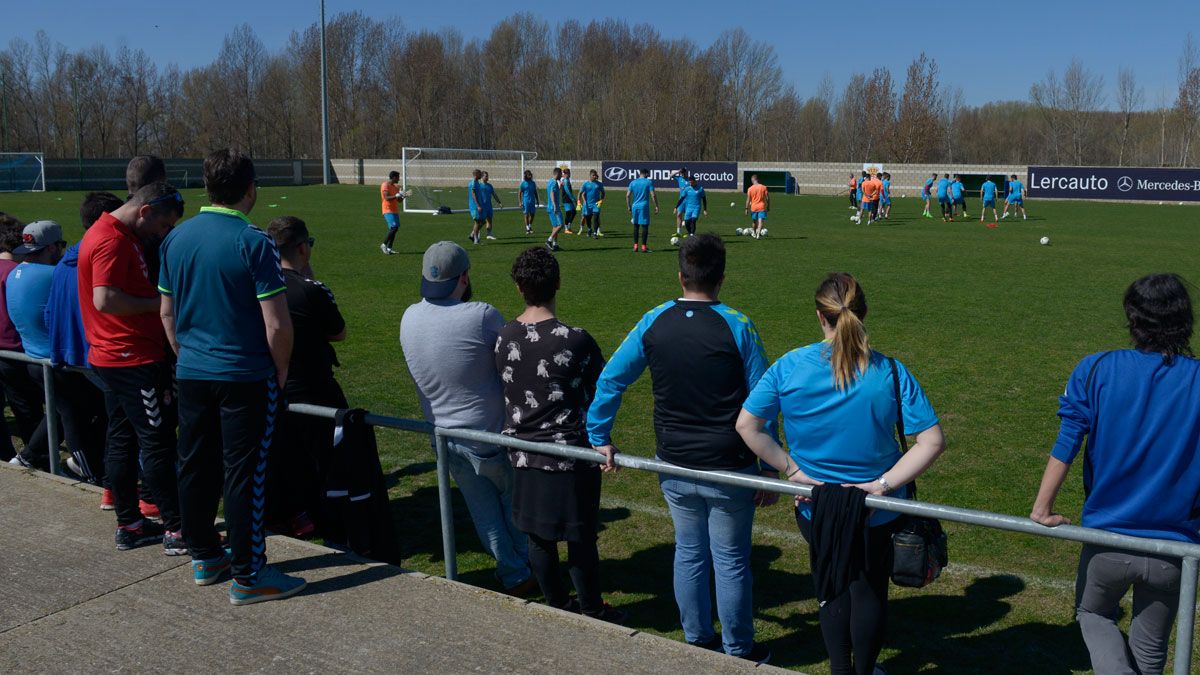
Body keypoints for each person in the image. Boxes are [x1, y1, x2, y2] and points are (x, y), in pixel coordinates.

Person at [736, 271, 946, 675]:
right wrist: (882, 486)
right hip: (874, 510)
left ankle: (840, 670)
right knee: (868, 591)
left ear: (820, 316)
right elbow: (932, 441)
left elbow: (747, 425)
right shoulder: (889, 371)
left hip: (816, 507)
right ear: (864, 314)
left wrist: (792, 469)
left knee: (831, 586)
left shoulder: (790, 366)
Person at [587, 234, 774, 664]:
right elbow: (764, 401)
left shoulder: (654, 319)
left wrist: (599, 433)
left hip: (674, 463)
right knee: (728, 560)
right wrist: (767, 461)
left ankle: (698, 639)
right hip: (729, 467)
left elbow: (612, 378)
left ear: (680, 275)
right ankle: (738, 649)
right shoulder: (738, 324)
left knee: (689, 551)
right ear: (721, 278)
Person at [1030, 273, 1200, 675]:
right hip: (1174, 552)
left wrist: (1042, 507)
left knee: (1093, 614)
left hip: (1106, 540)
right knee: (1151, 651)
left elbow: (1068, 441)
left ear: (1133, 318)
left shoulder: (1097, 369)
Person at [159, 148, 306, 603]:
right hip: (243, 373)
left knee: (196, 463)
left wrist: (187, 355)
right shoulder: (253, 241)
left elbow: (167, 312)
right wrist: (279, 369)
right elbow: (277, 323)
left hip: (193, 370)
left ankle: (204, 555)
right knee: (244, 472)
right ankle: (249, 573)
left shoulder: (176, 238)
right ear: (250, 188)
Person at [495, 247, 624, 622]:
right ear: (558, 284)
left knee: (539, 537)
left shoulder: (504, 336)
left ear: (519, 288)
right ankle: (591, 608)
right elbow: (602, 389)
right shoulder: (575, 340)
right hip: (571, 458)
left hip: (522, 452)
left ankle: (558, 606)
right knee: (580, 539)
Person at [400, 240, 535, 596]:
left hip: (444, 436)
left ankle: (513, 572)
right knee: (513, 502)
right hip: (488, 436)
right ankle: (522, 568)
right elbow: (513, 357)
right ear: (463, 277)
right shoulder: (480, 314)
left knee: (482, 510)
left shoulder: (409, 316)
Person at [79, 183, 187, 554]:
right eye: (161, 226)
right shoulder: (111, 239)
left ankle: (130, 523)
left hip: (114, 355)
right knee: (157, 442)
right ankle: (177, 529)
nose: (162, 235)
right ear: (144, 211)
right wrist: (159, 303)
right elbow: (104, 298)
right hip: (131, 358)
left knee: (122, 439)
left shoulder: (114, 234)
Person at [265, 215, 346, 539]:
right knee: (324, 458)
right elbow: (339, 333)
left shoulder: (259, 286)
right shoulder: (311, 290)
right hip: (314, 388)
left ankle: (288, 514)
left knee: (283, 455)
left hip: (274, 387)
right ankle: (322, 518)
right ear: (302, 247)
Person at [48, 191, 121, 496]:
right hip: (94, 356)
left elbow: (52, 310)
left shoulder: (68, 259)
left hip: (68, 356)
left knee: (99, 422)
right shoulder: (96, 259)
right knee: (121, 426)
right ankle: (115, 487)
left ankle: (103, 478)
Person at [6, 221, 66, 471]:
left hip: (31, 357)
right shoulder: (53, 275)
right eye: (61, 245)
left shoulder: (14, 273)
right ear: (51, 247)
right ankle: (29, 456)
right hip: (54, 361)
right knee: (70, 413)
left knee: (61, 413)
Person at [0, 213, 44, 465]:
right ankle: (35, 457)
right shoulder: (17, 273)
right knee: (29, 410)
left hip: (6, 352)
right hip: (17, 352)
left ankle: (11, 456)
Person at [626, 168, 658, 253]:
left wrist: (628, 206)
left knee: (636, 226)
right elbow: (653, 195)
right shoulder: (648, 182)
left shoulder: (633, 182)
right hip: (644, 206)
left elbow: (627, 195)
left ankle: (635, 246)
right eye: (648, 174)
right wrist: (656, 206)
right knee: (644, 226)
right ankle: (644, 247)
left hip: (634, 206)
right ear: (646, 173)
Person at [380, 170, 405, 255]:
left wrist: (403, 195)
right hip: (387, 210)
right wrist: (396, 195)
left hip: (394, 210)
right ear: (394, 177)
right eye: (398, 177)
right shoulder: (385, 185)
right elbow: (386, 197)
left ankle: (389, 248)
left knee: (394, 229)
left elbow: (399, 201)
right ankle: (384, 244)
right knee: (394, 228)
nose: (399, 179)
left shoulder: (396, 187)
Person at [579, 169, 605, 238]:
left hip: (596, 204)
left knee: (596, 218)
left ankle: (595, 233)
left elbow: (603, 192)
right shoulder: (586, 184)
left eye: (595, 175)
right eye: (593, 175)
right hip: (588, 204)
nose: (595, 176)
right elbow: (580, 193)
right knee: (588, 219)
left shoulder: (599, 184)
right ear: (590, 175)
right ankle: (589, 229)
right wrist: (579, 202)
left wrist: (601, 200)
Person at [545, 167, 565, 252]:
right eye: (561, 174)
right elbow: (552, 193)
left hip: (550, 207)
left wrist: (560, 186)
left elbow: (554, 191)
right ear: (557, 174)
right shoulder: (553, 182)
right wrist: (555, 205)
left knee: (555, 226)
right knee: (561, 225)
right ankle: (549, 240)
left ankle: (555, 244)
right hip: (554, 207)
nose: (562, 175)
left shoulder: (550, 181)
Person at [745, 174, 769, 238]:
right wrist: (768, 206)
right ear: (758, 179)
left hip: (754, 207)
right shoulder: (764, 187)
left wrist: (746, 209)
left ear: (753, 180)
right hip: (762, 206)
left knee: (754, 222)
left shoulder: (750, 189)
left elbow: (748, 200)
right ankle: (758, 233)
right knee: (760, 221)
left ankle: (755, 233)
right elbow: (767, 198)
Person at [480, 171, 502, 240]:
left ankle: (489, 234)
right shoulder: (479, 185)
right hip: (481, 206)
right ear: (482, 177)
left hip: (489, 206)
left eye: (487, 176)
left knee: (489, 220)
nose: (487, 177)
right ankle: (476, 233)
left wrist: (499, 202)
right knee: (480, 221)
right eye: (486, 176)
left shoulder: (489, 186)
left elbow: (494, 194)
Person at [467, 169, 486, 245]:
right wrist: (478, 205)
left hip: (480, 204)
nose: (481, 175)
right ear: (476, 175)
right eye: (479, 174)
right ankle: (475, 239)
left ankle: (472, 235)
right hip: (475, 206)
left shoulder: (477, 182)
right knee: (477, 222)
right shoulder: (473, 183)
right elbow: (473, 195)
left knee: (483, 221)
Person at [519, 170, 539, 235]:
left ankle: (530, 225)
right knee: (526, 214)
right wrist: (520, 202)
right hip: (526, 201)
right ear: (525, 175)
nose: (530, 175)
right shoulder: (523, 183)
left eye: (530, 174)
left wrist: (537, 200)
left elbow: (535, 192)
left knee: (532, 214)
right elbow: (519, 193)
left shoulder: (533, 183)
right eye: (528, 174)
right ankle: (527, 228)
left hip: (532, 201)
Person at [560, 168, 578, 236]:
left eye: (569, 173)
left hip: (568, 198)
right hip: (566, 199)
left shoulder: (566, 180)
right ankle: (566, 229)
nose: (569, 174)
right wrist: (573, 199)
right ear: (564, 174)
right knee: (568, 213)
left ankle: (569, 226)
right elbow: (567, 191)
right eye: (567, 173)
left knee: (573, 212)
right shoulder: (566, 181)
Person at [674, 167, 690, 237]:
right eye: (681, 173)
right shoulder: (679, 178)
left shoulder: (690, 180)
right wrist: (678, 171)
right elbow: (670, 175)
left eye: (683, 173)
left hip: (689, 200)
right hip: (681, 200)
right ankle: (678, 232)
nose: (682, 174)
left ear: (686, 172)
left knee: (688, 217)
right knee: (678, 215)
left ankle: (689, 232)